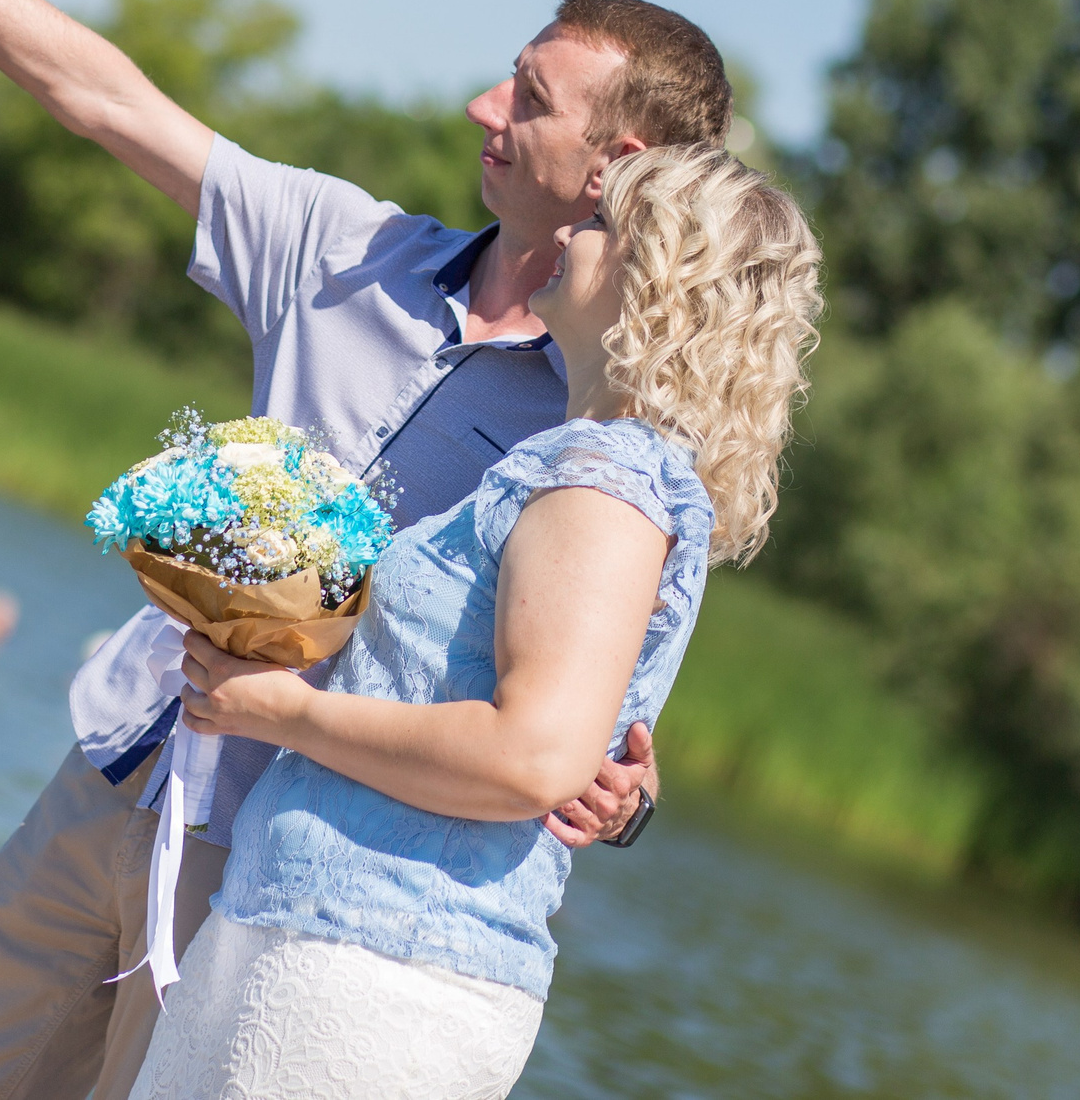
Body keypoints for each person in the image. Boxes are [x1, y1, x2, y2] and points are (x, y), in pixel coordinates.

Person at [0, 0, 734, 1100]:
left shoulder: (600, 432)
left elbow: (584, 728)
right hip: (115, 777)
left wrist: (623, 796)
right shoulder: (341, 250)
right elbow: (105, 98)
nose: (485, 107)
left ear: (616, 166)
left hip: (273, 886)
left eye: (528, 97)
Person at [135, 142, 821, 1099]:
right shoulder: (595, 467)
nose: (570, 231)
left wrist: (283, 711)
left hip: (371, 967)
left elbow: (531, 757)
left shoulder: (602, 482)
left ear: (655, 280)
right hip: (324, 936)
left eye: (600, 222)